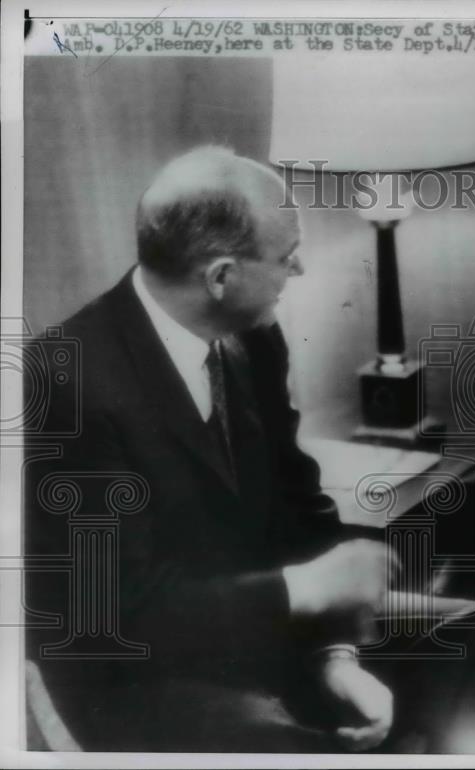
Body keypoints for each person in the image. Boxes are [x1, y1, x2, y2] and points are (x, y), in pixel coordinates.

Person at [24, 146, 433, 752]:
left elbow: (297, 501)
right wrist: (310, 588)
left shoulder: (254, 340)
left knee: (472, 632)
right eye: (287, 257)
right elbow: (123, 615)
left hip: (261, 632)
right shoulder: (66, 379)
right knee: (302, 748)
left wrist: (335, 653)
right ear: (220, 277)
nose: (298, 272)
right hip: (139, 676)